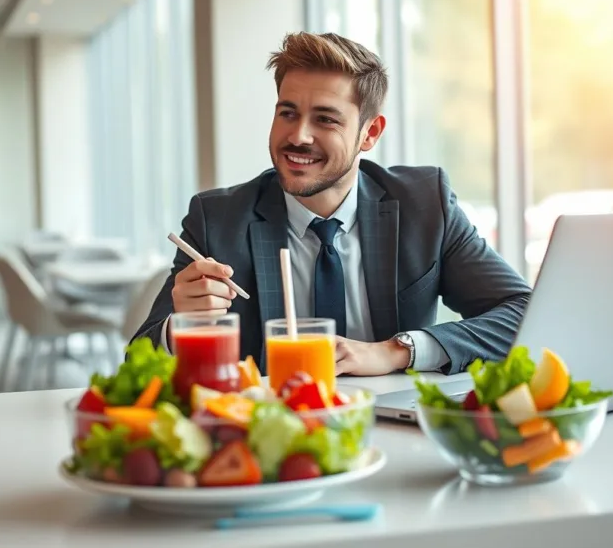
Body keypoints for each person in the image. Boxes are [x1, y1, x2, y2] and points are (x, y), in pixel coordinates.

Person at [133, 31, 531, 376]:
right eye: (287, 113)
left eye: (325, 119)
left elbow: (523, 313)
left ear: (370, 132)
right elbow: (139, 357)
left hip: (395, 431)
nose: (299, 136)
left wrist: (396, 351)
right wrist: (181, 326)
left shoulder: (424, 204)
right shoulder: (217, 220)